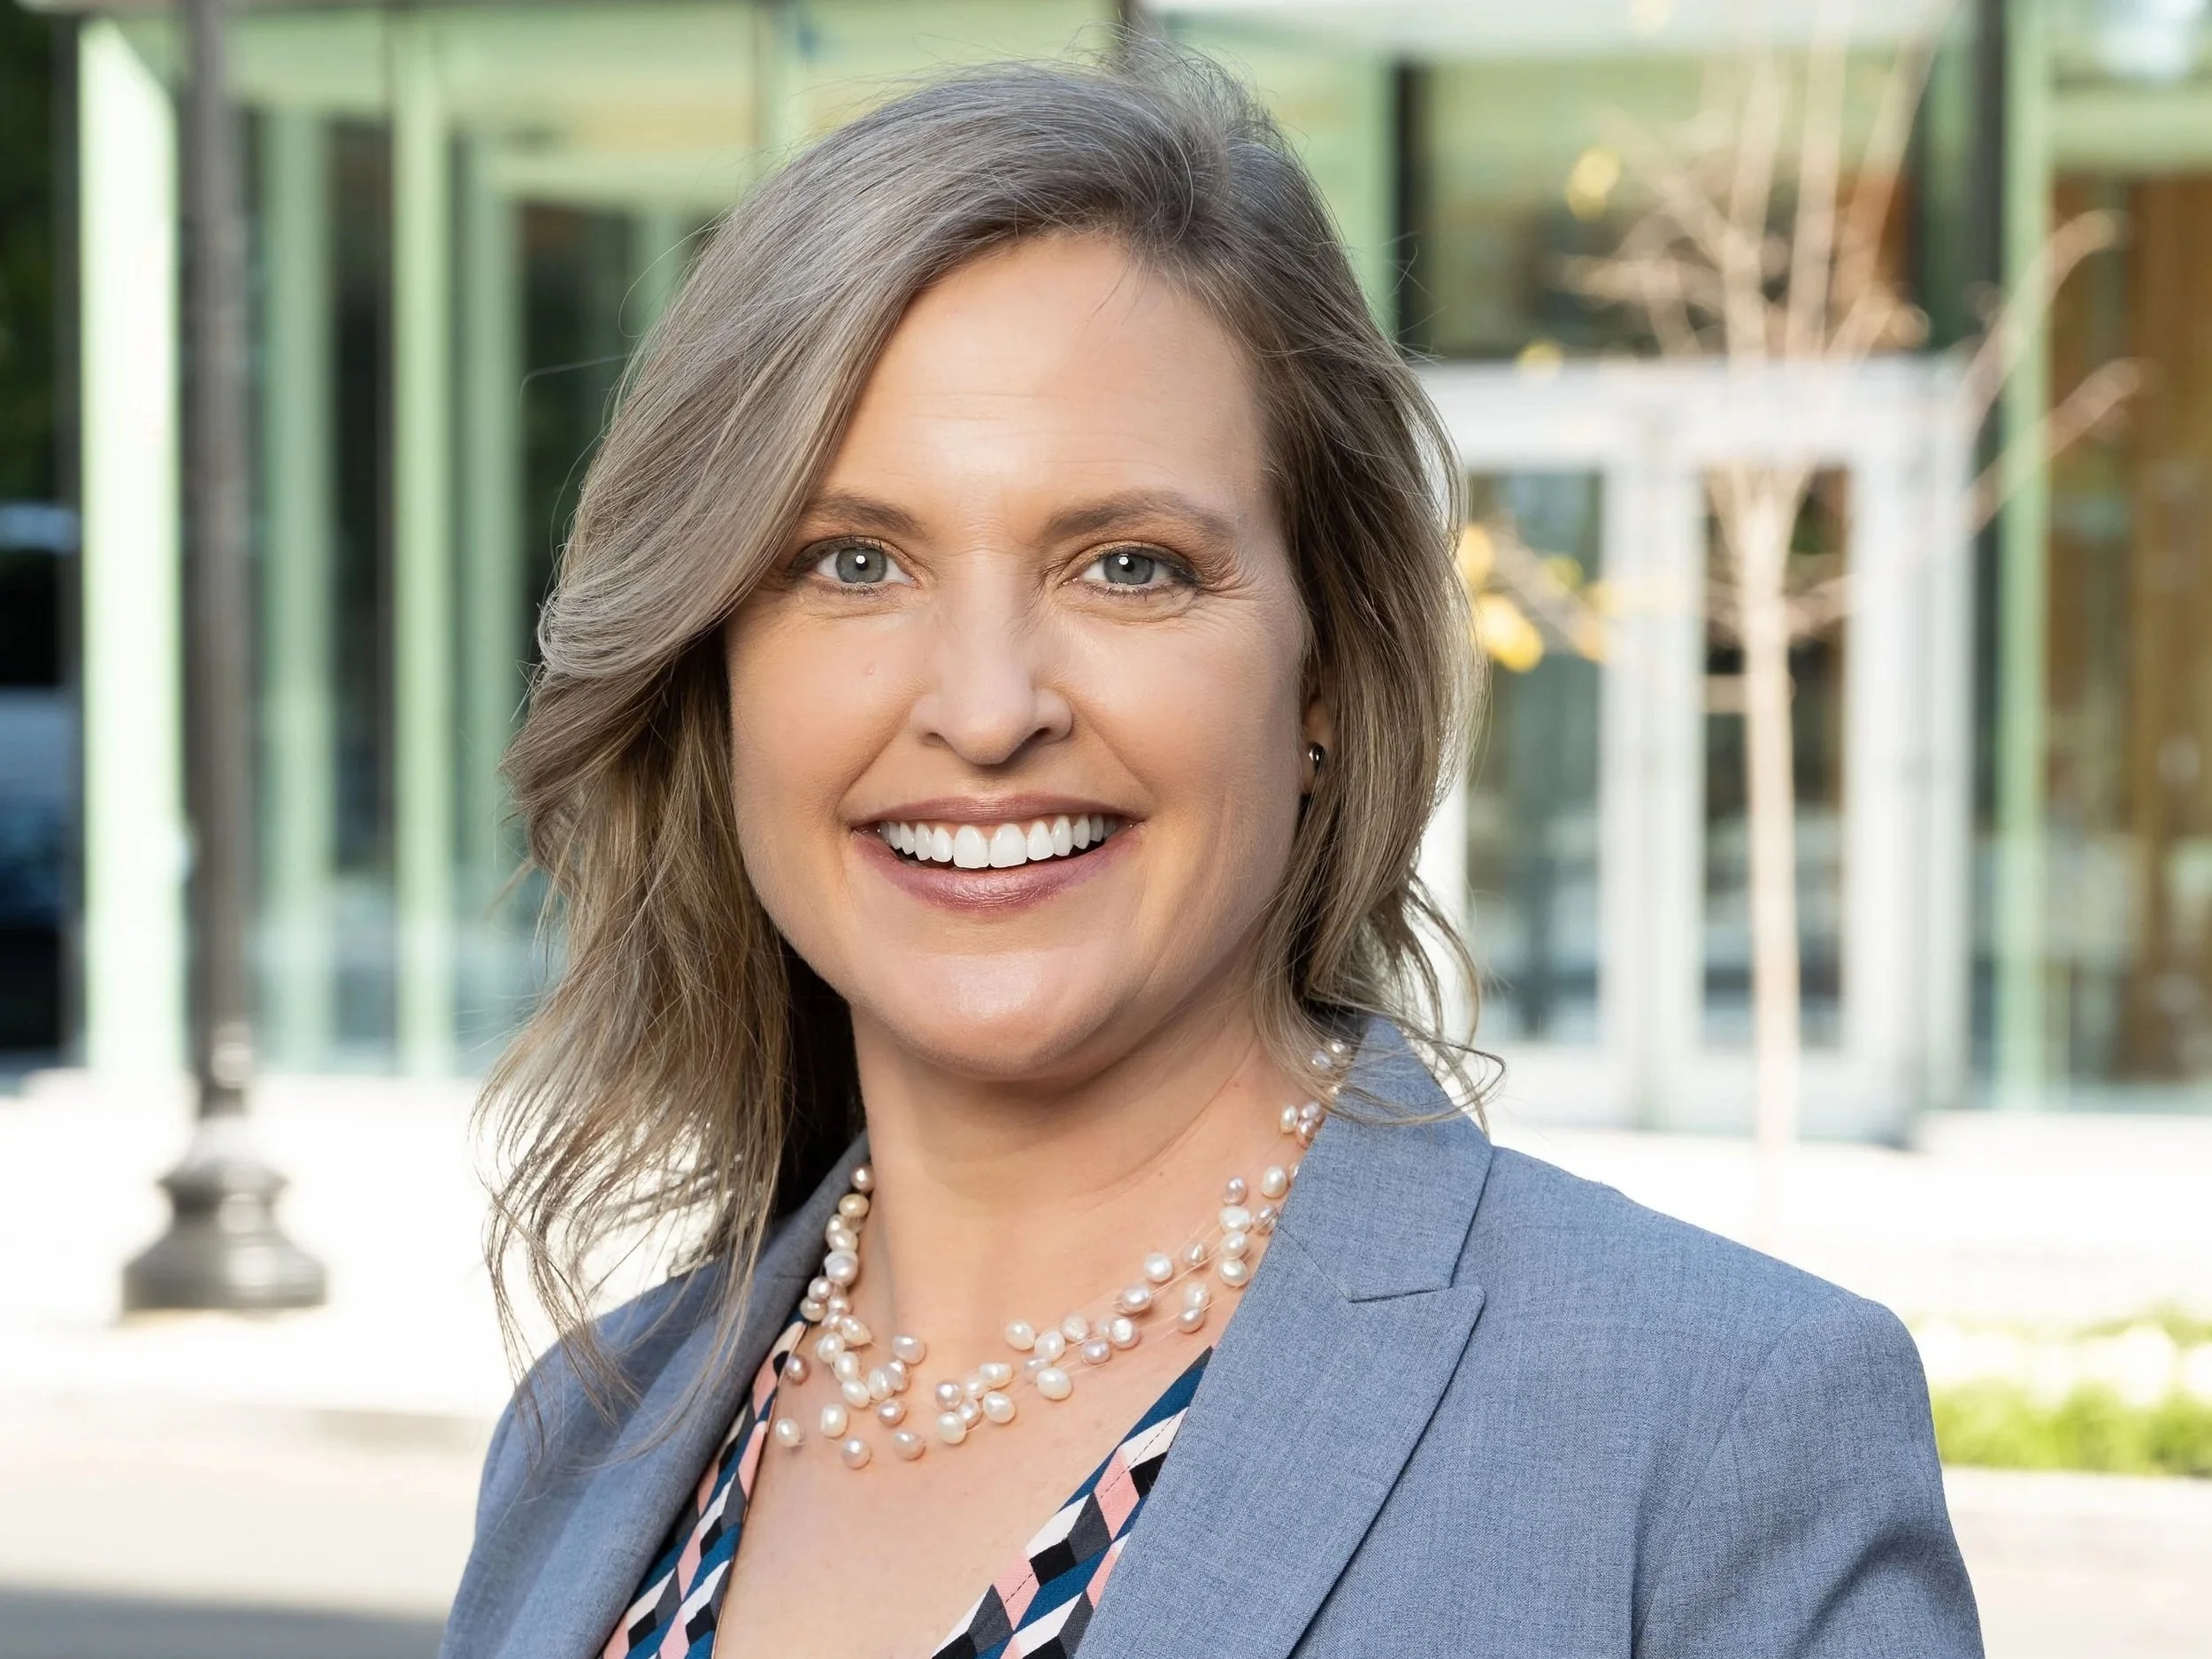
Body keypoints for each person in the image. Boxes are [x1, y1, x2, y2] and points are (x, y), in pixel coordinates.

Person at [440, 49, 1982, 1659]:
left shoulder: (1707, 1435)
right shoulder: (586, 1436)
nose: (984, 708)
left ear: (1323, 674)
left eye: (1128, 565)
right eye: (851, 559)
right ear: (716, 667)